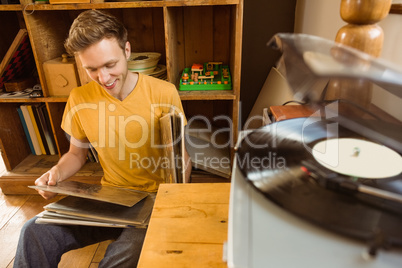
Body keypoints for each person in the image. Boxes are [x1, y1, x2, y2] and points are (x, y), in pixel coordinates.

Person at [14, 9, 189, 268]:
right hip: (109, 198)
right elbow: (76, 154)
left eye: (110, 65)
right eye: (92, 69)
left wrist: (173, 207)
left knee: (121, 256)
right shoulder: (79, 98)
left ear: (127, 51)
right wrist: (55, 175)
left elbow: (181, 159)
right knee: (34, 232)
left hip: (154, 200)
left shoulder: (164, 93)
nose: (103, 78)